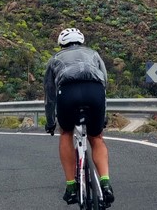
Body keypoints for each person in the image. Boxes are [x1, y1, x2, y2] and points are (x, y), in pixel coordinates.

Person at [44, 27, 114, 205]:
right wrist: (103, 115)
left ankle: (71, 188)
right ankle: (105, 183)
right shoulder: (93, 54)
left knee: (66, 133)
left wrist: (51, 121)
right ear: (81, 41)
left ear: (61, 44)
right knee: (96, 137)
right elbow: (104, 83)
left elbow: (50, 95)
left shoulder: (55, 59)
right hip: (94, 92)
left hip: (68, 94)